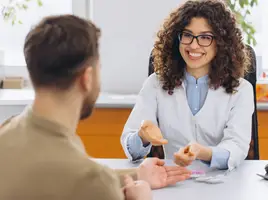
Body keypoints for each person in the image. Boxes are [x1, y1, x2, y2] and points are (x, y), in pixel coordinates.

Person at [0, 15, 190, 200]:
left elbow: (57, 175)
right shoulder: (95, 184)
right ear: (87, 78)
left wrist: (136, 175)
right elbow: (86, 179)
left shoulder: (7, 131)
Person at [121, 0, 254, 171]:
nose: (193, 45)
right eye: (187, 35)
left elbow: (237, 146)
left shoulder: (241, 90)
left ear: (221, 43)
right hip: (172, 179)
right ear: (177, 38)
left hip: (223, 183)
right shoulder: (155, 84)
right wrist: (142, 136)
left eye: (205, 37)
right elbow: (131, 148)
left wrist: (202, 152)